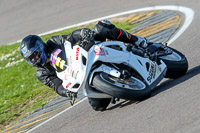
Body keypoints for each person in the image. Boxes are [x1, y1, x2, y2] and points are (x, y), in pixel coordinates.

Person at [19, 20, 149, 111]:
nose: (35, 59)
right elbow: (56, 85)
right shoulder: (41, 73)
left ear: (40, 47)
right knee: (97, 106)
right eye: (31, 58)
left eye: (35, 54)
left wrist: (83, 34)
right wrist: (67, 92)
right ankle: (116, 86)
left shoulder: (53, 42)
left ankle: (138, 41)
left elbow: (70, 37)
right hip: (83, 77)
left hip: (86, 55)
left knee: (102, 27)